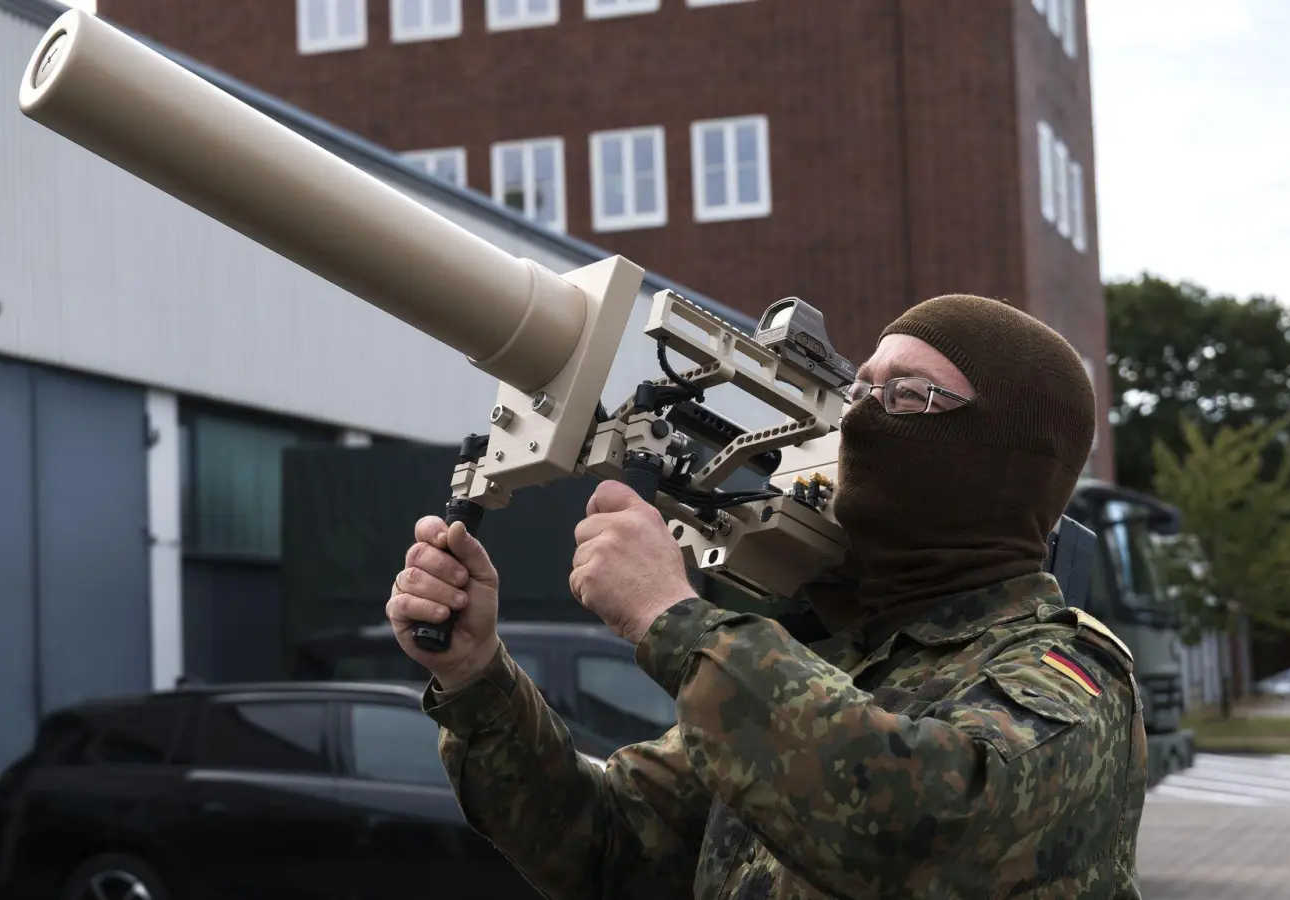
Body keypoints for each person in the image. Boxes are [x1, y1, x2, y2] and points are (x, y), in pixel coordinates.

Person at [386, 294, 1147, 899]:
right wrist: (476, 674)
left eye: (908, 395)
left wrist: (673, 619)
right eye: (861, 388)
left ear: (1009, 461)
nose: (862, 415)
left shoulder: (1068, 672)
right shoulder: (835, 661)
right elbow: (607, 844)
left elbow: (921, 834)